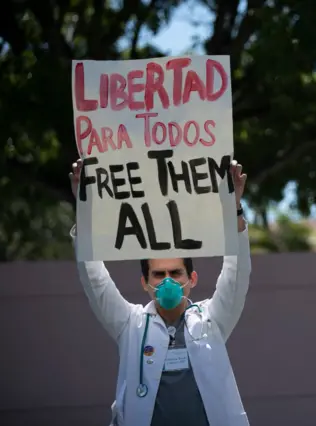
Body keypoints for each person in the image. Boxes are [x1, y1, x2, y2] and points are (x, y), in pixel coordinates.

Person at [69, 158, 252, 426]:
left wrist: (234, 206)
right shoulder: (130, 324)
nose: (167, 281)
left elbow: (237, 273)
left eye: (175, 273)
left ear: (192, 278)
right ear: (145, 282)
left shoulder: (212, 320)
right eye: (159, 274)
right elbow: (93, 279)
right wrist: (83, 206)